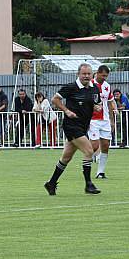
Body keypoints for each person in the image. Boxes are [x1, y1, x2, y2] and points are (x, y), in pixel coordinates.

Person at [44, 63, 100, 195]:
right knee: (89, 151)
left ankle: (51, 183)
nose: (86, 76)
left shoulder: (94, 88)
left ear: (92, 75)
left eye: (88, 74)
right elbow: (55, 99)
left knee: (66, 158)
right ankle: (88, 185)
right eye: (84, 74)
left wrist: (96, 107)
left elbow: (94, 103)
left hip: (83, 126)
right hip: (71, 126)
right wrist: (66, 111)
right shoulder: (71, 87)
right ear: (78, 74)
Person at [88, 65, 116, 179]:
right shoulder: (90, 84)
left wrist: (112, 120)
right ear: (98, 73)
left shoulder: (107, 86)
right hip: (92, 119)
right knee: (94, 145)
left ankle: (100, 172)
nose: (104, 77)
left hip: (105, 120)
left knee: (105, 146)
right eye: (103, 75)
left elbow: (109, 102)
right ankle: (90, 156)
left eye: (106, 76)